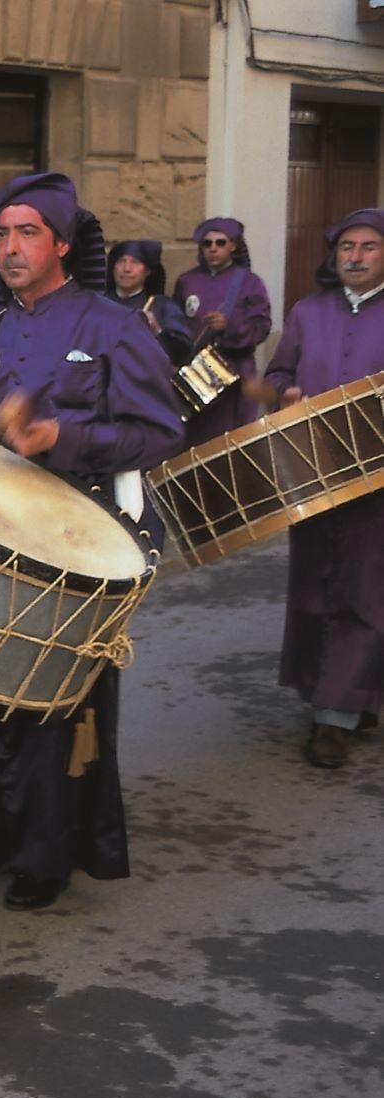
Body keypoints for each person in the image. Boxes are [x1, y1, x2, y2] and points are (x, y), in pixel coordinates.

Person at [0, 173, 185, 911]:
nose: (10, 248)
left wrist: (62, 436)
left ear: (62, 245)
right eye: (1, 235)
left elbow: (160, 431)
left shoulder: (113, 326)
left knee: (50, 705)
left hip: (79, 544)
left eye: (27, 233)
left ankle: (45, 854)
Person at [253, 207, 384, 769]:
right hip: (311, 470)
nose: (355, 256)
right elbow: (279, 374)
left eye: (369, 246)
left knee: (362, 590)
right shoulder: (307, 312)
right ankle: (346, 695)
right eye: (347, 247)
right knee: (313, 587)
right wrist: (284, 393)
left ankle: (336, 716)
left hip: (376, 478)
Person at [172, 217, 273, 444]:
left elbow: (262, 327)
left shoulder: (250, 282)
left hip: (234, 375)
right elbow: (175, 323)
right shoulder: (187, 281)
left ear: (233, 246)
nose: (213, 248)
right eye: (207, 243)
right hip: (195, 373)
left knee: (229, 441)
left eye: (220, 242)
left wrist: (230, 327)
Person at [106, 239, 194, 368]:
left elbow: (184, 355)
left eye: (135, 262)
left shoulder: (163, 307)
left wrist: (157, 330)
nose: (127, 269)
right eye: (121, 261)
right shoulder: (96, 304)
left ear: (147, 271)